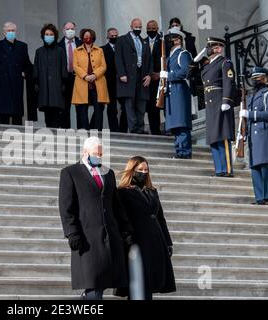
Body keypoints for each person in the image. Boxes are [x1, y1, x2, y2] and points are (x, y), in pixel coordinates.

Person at [59, 137, 133, 300]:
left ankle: (87, 298)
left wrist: (126, 229)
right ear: (85, 153)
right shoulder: (70, 173)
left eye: (100, 154)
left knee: (104, 280)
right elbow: (66, 207)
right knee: (93, 281)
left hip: (110, 235)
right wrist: (71, 233)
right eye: (95, 154)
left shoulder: (108, 173)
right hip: (87, 237)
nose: (98, 157)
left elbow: (116, 204)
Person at [117, 156, 176, 300]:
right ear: (132, 170)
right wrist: (127, 238)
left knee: (149, 283)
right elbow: (121, 218)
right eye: (140, 170)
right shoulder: (122, 192)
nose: (143, 172)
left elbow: (161, 218)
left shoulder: (152, 191)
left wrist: (168, 242)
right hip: (136, 243)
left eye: (146, 170)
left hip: (155, 242)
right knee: (137, 283)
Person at [239, 67, 268, 206]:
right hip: (252, 135)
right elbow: (246, 119)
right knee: (255, 167)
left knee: (265, 165)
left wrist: (250, 115)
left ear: (265, 78)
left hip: (263, 132)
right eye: (254, 78)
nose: (256, 80)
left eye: (258, 78)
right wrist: (243, 134)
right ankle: (259, 198)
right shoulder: (250, 96)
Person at [201, 37, 236, 177]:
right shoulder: (207, 65)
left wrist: (226, 101)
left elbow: (229, 82)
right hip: (210, 104)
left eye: (212, 47)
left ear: (219, 48)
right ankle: (219, 169)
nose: (209, 50)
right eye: (209, 47)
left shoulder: (225, 63)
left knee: (223, 135)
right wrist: (194, 62)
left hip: (220, 102)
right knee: (213, 137)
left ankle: (227, 168)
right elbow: (190, 74)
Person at [0, 22, 32, 126]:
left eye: (13, 30)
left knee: (17, 116)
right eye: (8, 30)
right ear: (4, 32)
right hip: (4, 83)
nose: (11, 32)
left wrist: (24, 73)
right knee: (4, 115)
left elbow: (28, 65)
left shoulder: (22, 46)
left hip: (17, 83)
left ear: (15, 32)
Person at [160, 28, 193, 159]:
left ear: (178, 40)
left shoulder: (182, 54)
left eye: (172, 38)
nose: (169, 41)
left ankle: (184, 152)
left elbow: (185, 72)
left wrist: (169, 75)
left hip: (179, 90)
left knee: (181, 122)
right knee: (175, 124)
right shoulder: (170, 56)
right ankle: (179, 150)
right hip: (171, 91)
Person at [116, 18, 152, 134]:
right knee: (129, 104)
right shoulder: (122, 40)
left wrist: (149, 75)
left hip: (142, 77)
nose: (138, 29)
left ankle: (140, 128)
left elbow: (149, 60)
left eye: (140, 27)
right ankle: (134, 128)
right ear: (131, 26)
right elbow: (118, 58)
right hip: (128, 77)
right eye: (136, 27)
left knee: (141, 104)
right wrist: (122, 73)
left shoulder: (144, 42)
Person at [90, 28, 127, 132]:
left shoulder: (123, 49)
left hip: (122, 83)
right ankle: (114, 130)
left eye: (116, 36)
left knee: (125, 107)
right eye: (112, 36)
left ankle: (123, 129)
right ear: (107, 37)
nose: (114, 37)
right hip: (108, 83)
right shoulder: (102, 50)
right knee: (111, 108)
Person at [72, 29, 109, 131]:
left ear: (93, 37)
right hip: (82, 83)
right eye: (85, 36)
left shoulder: (99, 50)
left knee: (99, 109)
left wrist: (94, 75)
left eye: (89, 36)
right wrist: (85, 76)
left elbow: (103, 66)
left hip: (97, 83)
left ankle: (96, 130)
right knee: (82, 109)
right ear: (82, 38)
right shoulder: (76, 51)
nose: (87, 38)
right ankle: (85, 131)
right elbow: (75, 66)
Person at [33, 24, 68, 128]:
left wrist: (63, 84)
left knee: (56, 114)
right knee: (47, 115)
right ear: (43, 36)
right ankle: (49, 133)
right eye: (47, 34)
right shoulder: (39, 51)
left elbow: (63, 68)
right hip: (44, 87)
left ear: (55, 36)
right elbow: (36, 68)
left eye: (51, 34)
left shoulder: (60, 50)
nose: (49, 36)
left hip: (57, 87)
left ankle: (56, 134)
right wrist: (36, 82)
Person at [169, 17, 204, 115]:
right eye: (173, 26)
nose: (175, 27)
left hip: (183, 73)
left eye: (177, 25)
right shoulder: (168, 44)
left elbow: (192, 56)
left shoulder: (187, 43)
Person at [58, 22, 83, 129]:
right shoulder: (58, 45)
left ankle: (81, 130)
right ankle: (66, 131)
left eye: (72, 28)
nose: (70, 31)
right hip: (65, 78)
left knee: (80, 106)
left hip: (79, 78)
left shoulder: (81, 43)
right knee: (65, 107)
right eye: (68, 29)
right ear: (63, 31)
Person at [145, 20, 163, 135]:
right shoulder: (143, 42)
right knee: (151, 106)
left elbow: (166, 60)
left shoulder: (162, 42)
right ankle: (154, 130)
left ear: (157, 29)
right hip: (147, 79)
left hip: (160, 78)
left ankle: (166, 128)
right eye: (149, 29)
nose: (151, 31)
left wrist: (159, 74)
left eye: (153, 29)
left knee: (161, 104)